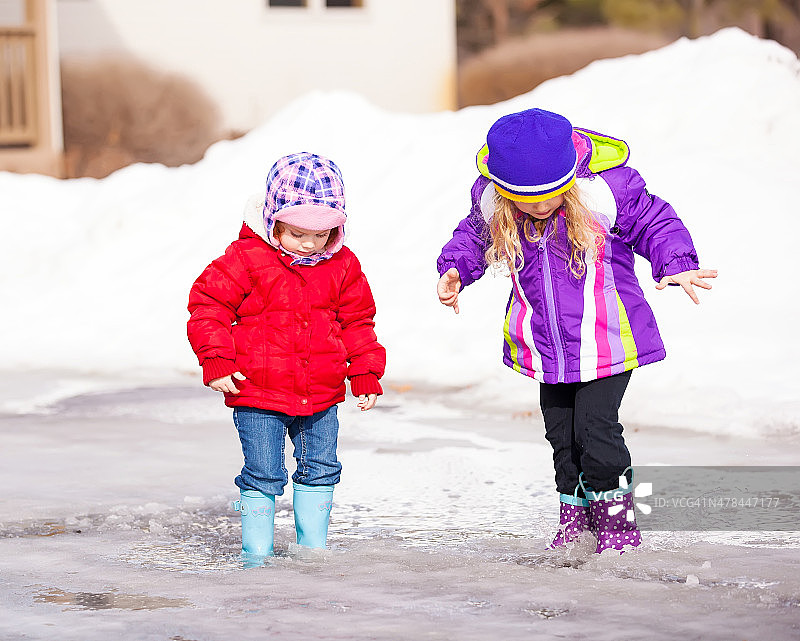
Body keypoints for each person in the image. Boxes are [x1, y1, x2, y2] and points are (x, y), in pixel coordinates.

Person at [436, 108, 716, 554]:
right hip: (547, 348)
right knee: (562, 439)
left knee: (596, 432)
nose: (540, 207)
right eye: (527, 200)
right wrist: (454, 270)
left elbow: (655, 221)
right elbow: (471, 237)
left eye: (550, 195)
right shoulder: (493, 203)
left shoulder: (603, 192)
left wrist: (677, 263)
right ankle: (576, 522)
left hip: (607, 340)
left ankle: (618, 527)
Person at [188, 152, 386, 564]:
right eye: (298, 233)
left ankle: (312, 551)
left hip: (321, 394)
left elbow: (357, 321)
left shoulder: (343, 264)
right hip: (258, 392)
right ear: (273, 219)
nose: (311, 244)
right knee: (264, 472)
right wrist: (217, 360)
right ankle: (256, 555)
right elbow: (209, 306)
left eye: (322, 234)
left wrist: (365, 371)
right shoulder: (246, 258)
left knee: (322, 467)